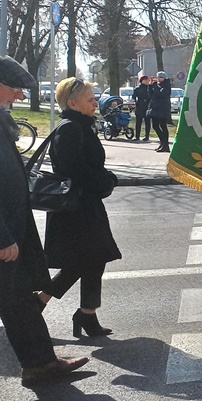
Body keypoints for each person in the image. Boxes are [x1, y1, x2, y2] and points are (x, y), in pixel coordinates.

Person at [0, 57, 90, 385]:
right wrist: (2, 237)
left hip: (12, 229)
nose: (20, 96)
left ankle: (40, 364)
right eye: (15, 88)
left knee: (18, 300)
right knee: (15, 299)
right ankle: (40, 364)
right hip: (4, 234)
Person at [36, 77, 122, 339]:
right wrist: (105, 181)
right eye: (90, 99)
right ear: (73, 103)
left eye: (95, 98)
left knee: (92, 259)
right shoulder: (71, 129)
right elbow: (75, 170)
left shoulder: (81, 126)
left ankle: (84, 314)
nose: (96, 103)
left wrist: (103, 179)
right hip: (75, 208)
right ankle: (43, 303)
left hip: (85, 204)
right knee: (88, 259)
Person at [147, 71, 172, 152]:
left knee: (163, 126)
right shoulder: (157, 85)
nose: (158, 79)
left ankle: (165, 145)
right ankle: (162, 143)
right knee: (155, 126)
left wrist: (154, 85)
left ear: (164, 78)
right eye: (158, 77)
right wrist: (150, 86)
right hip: (155, 108)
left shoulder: (166, 85)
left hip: (163, 109)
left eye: (160, 77)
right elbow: (151, 95)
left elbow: (161, 94)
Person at [132, 75, 152, 141]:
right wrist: (134, 102)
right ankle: (137, 136)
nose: (146, 81)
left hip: (147, 107)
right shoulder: (137, 88)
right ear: (141, 81)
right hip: (139, 107)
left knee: (147, 122)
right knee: (138, 122)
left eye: (147, 79)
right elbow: (134, 97)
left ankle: (147, 136)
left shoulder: (149, 88)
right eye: (145, 80)